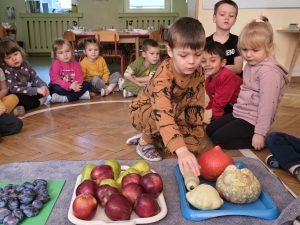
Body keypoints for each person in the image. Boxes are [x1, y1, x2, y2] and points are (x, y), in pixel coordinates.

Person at [129, 17, 207, 177]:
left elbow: (197, 105)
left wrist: (193, 140)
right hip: (145, 112)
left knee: (192, 147)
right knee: (174, 139)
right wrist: (181, 150)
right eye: (184, 55)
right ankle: (144, 141)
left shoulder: (198, 71)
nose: (192, 61)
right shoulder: (162, 76)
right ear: (170, 51)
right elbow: (162, 112)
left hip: (173, 112)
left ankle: (155, 137)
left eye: (198, 54)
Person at [206, 17, 289, 150]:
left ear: (269, 47)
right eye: (244, 50)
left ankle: (266, 141)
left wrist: (260, 133)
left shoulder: (270, 73)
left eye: (255, 50)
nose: (249, 55)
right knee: (210, 130)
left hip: (254, 121)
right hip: (240, 113)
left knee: (219, 139)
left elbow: (267, 105)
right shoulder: (252, 64)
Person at [0, 37, 49, 113]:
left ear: (21, 52)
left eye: (15, 54)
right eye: (9, 58)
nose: (14, 59)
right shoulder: (7, 70)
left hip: (25, 90)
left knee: (42, 90)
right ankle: (38, 103)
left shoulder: (25, 64)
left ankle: (18, 109)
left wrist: (43, 86)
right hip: (15, 95)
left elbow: (35, 78)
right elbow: (14, 89)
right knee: (21, 98)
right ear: (4, 61)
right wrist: (35, 90)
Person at [201, 41, 242, 123]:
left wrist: (214, 120)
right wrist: (205, 112)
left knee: (213, 130)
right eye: (203, 61)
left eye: (212, 61)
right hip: (228, 105)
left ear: (223, 63)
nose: (207, 64)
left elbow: (219, 104)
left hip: (242, 110)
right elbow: (213, 100)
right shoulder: (208, 79)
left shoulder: (227, 77)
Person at [206, 0, 243, 75]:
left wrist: (215, 68)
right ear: (214, 18)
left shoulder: (238, 40)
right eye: (222, 14)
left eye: (231, 16)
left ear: (235, 20)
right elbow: (203, 67)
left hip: (233, 82)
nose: (226, 18)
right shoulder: (205, 42)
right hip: (212, 83)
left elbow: (238, 68)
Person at [49, 38, 90, 103]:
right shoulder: (55, 64)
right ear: (56, 56)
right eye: (61, 53)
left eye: (67, 51)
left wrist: (76, 85)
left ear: (71, 51)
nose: (65, 54)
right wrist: (69, 86)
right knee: (54, 88)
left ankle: (64, 98)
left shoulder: (76, 64)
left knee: (87, 84)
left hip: (74, 87)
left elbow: (79, 77)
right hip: (61, 87)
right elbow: (56, 80)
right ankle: (79, 96)